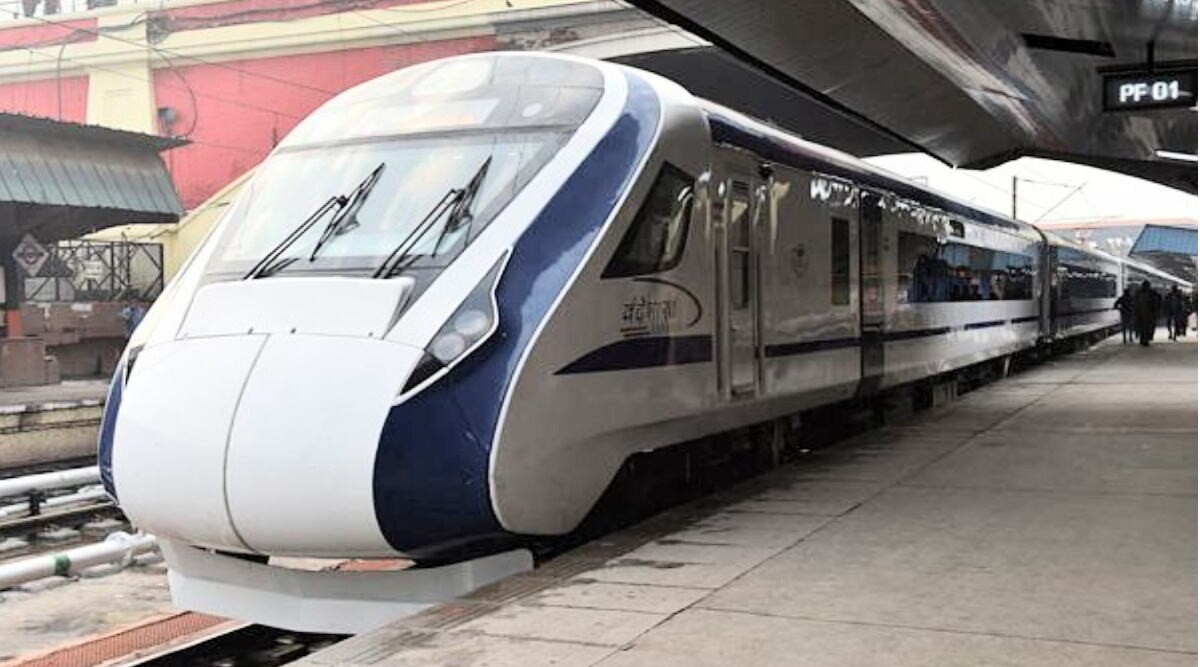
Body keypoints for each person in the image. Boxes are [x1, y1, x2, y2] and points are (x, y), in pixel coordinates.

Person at [1133, 280, 1159, 346]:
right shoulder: (1151, 292)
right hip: (1148, 313)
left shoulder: (1138, 292)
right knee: (1147, 327)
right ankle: (1145, 340)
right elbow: (1155, 302)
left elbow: (1135, 303)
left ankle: (1143, 339)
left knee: (1142, 327)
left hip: (1141, 313)